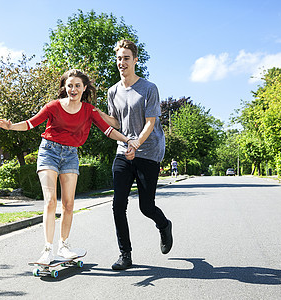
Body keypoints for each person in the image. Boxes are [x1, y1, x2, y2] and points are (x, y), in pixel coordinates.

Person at [0, 69, 139, 265]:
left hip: (70, 155)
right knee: (51, 201)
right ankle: (47, 249)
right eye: (69, 85)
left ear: (84, 88)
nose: (73, 89)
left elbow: (108, 130)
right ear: (64, 87)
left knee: (69, 204)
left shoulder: (89, 110)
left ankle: (64, 245)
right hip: (49, 152)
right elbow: (30, 124)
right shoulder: (53, 106)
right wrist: (11, 126)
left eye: (77, 85)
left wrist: (127, 140)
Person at [95, 40, 173, 270]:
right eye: (119, 58)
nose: (122, 62)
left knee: (146, 207)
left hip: (148, 151)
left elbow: (151, 123)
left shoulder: (149, 88)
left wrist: (137, 143)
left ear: (135, 60)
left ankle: (164, 225)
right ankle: (125, 255)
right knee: (118, 203)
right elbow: (116, 122)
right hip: (123, 149)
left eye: (126, 58)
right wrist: (96, 112)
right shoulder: (113, 91)